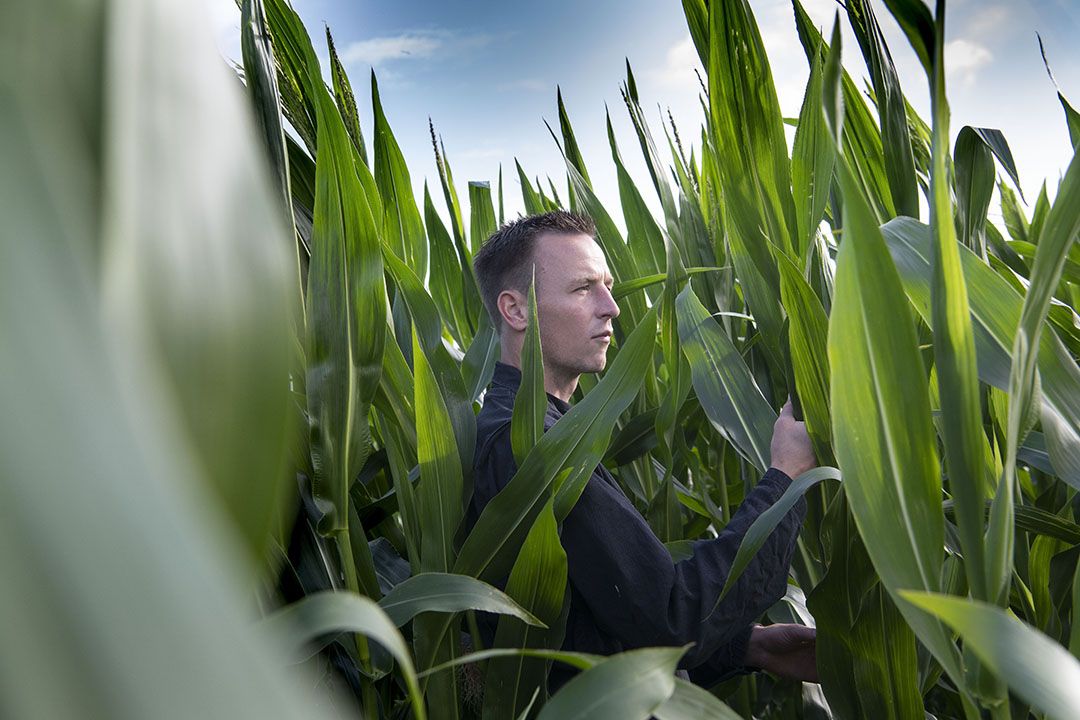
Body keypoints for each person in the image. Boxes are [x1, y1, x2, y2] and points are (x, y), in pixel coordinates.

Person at [468, 210, 818, 691]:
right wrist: (788, 476)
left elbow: (601, 627)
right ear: (517, 310)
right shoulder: (531, 447)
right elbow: (670, 618)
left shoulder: (542, 431)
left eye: (607, 285)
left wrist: (748, 646)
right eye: (583, 288)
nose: (611, 306)